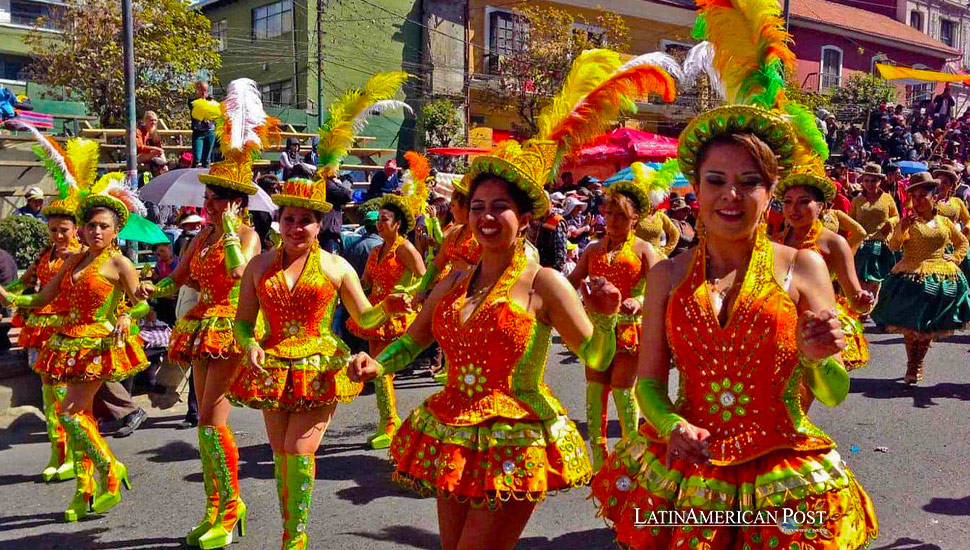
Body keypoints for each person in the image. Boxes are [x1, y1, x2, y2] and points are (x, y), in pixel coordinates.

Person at [347, 46, 681, 550]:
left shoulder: (546, 282)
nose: (485, 217)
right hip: (452, 430)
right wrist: (377, 366)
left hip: (517, 438)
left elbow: (596, 356)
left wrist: (608, 318)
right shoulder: (454, 281)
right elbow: (412, 343)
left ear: (524, 218)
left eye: (499, 207)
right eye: (477, 206)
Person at [591, 5, 878, 546]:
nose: (731, 194)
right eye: (716, 180)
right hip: (690, 468)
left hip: (781, 471)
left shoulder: (803, 266)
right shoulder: (667, 277)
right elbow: (650, 382)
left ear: (769, 193)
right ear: (694, 192)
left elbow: (834, 392)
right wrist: (670, 422)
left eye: (749, 181)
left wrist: (818, 359)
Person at [227, 178, 406, 550]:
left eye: (305, 220)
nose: (296, 228)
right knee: (281, 456)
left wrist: (388, 306)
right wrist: (248, 345)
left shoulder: (336, 266)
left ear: (320, 223)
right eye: (289, 218)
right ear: (279, 220)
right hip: (273, 367)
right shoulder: (259, 266)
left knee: (298, 449)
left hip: (319, 366)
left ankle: (295, 540)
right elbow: (243, 321)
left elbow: (365, 318)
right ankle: (289, 532)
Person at [138, 79, 275, 548]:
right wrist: (140, 290)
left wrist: (235, 234)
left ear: (236, 202)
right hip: (200, 328)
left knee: (212, 421)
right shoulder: (200, 236)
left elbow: (241, 278)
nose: (207, 203)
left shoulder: (250, 238)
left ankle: (230, 505)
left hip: (231, 328)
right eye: (208, 197)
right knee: (204, 422)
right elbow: (180, 280)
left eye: (216, 197)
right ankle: (218, 507)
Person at [1, 170, 150, 522]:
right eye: (91, 225)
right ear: (82, 228)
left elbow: (139, 302)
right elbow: (42, 297)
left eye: (103, 226)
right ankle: (84, 489)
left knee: (70, 413)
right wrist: (8, 296)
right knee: (77, 416)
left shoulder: (119, 262)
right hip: (68, 341)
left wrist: (128, 317)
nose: (96, 231)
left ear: (115, 231)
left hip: (97, 344)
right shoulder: (71, 261)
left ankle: (110, 470)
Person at [567, 162, 663, 470]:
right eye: (609, 213)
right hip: (596, 332)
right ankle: (598, 467)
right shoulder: (592, 250)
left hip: (629, 333)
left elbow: (664, 288)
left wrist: (640, 299)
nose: (613, 220)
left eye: (621, 215)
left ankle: (632, 464)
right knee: (595, 396)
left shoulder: (644, 250)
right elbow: (568, 286)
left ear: (635, 218)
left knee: (623, 393)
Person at [346, 153, 428, 449]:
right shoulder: (375, 251)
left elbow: (424, 277)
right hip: (376, 314)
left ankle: (391, 423)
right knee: (378, 371)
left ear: (397, 224)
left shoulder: (404, 249)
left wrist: (406, 294)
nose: (379, 224)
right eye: (378, 220)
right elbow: (366, 283)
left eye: (385, 220)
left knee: (381, 371)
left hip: (395, 315)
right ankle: (389, 421)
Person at [3, 186, 80, 480]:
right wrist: (6, 293)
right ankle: (57, 452)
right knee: (48, 395)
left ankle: (76, 453)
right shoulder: (45, 254)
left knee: (65, 394)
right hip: (43, 330)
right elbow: (24, 284)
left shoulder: (84, 257)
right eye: (53, 230)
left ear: (76, 229)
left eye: (64, 230)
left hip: (70, 330)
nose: (58, 236)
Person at [872, 172, 970, 383]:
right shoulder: (907, 221)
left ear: (933, 196)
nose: (917, 200)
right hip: (911, 277)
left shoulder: (944, 222)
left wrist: (954, 258)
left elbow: (962, 242)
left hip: (940, 277)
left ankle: (917, 364)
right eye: (914, 196)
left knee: (927, 327)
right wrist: (902, 228)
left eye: (922, 195)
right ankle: (911, 364)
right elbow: (894, 245)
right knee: (911, 327)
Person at [775, 167, 874, 371]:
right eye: (788, 202)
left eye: (804, 201)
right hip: (779, 323)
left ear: (821, 206)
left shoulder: (835, 243)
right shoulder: (775, 241)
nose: (794, 209)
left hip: (818, 328)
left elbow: (855, 299)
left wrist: (863, 300)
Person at [850, 162, 899, 299]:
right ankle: (863, 305)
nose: (870, 184)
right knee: (860, 278)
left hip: (881, 243)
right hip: (861, 245)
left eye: (873, 180)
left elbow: (896, 216)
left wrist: (890, 222)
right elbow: (849, 221)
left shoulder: (887, 198)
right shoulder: (857, 200)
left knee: (876, 279)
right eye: (866, 180)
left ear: (880, 181)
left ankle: (872, 305)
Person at [634, 161, 682, 257]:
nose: (651, 205)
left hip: (656, 257)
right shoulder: (637, 215)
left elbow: (675, 234)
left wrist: (665, 251)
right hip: (637, 257)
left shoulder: (660, 215)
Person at [189, 81, 218, 168]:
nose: (203, 93)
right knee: (197, 157)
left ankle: (205, 176)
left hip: (210, 131)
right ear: (197, 90)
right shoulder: (192, 101)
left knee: (207, 159)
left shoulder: (211, 101)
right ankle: (192, 175)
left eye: (205, 91)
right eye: (201, 90)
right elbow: (198, 109)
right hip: (198, 132)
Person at [151, 242, 178, 326]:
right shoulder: (159, 265)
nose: (160, 256)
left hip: (175, 297)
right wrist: (155, 277)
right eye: (158, 255)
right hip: (163, 297)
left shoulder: (177, 262)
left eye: (162, 251)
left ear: (169, 248)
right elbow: (157, 282)